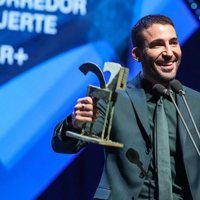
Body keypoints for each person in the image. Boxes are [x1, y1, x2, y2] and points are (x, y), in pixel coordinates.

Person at [52, 14, 200, 200]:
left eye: (173, 43)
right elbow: (64, 145)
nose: (169, 52)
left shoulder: (194, 102)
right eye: (158, 45)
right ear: (137, 54)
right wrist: (75, 124)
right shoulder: (114, 99)